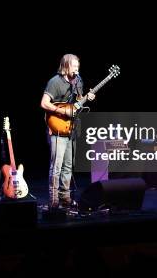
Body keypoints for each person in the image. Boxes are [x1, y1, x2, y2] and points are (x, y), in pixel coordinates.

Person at [40, 54, 95, 209]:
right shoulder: (55, 82)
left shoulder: (78, 81)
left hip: (71, 128)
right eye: (74, 66)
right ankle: (53, 200)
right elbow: (44, 103)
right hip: (57, 127)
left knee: (68, 166)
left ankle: (65, 197)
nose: (77, 69)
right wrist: (62, 111)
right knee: (56, 166)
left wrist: (87, 97)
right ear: (65, 66)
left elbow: (77, 102)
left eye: (78, 66)